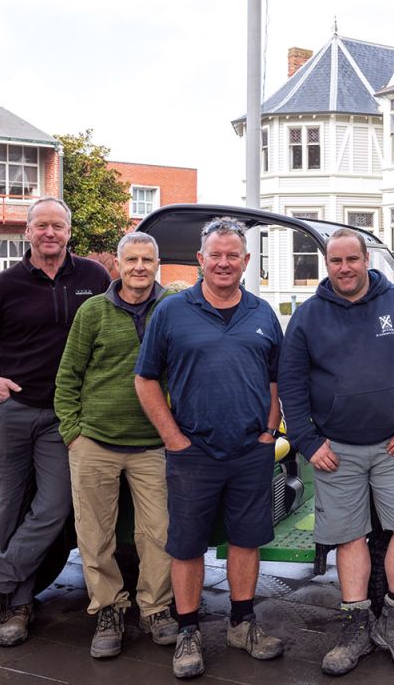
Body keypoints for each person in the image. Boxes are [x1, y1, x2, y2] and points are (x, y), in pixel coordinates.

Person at [279, 228, 394, 677]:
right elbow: (291, 383)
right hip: (337, 450)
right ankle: (355, 627)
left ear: (366, 259)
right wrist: (309, 442)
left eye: (352, 259)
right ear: (326, 264)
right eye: (336, 261)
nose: (345, 268)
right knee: (349, 537)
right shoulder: (308, 316)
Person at [134, 218, 285, 679]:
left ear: (246, 262)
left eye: (232, 256)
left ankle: (242, 624)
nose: (223, 263)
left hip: (249, 451)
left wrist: (269, 430)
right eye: (214, 255)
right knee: (187, 545)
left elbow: (276, 378)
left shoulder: (262, 314)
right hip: (192, 451)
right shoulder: (172, 312)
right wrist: (173, 438)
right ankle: (188, 631)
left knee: (246, 539)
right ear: (201, 260)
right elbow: (145, 379)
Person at [0, 196, 111, 647]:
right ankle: (17, 607)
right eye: (41, 226)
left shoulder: (93, 278)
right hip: (13, 410)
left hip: (63, 415)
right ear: (27, 231)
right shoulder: (4, 285)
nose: (50, 233)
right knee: (8, 508)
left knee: (55, 507)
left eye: (58, 226)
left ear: (68, 232)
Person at [54, 231, 177, 658]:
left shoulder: (173, 309)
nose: (139, 267)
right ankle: (108, 609)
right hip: (96, 442)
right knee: (95, 534)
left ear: (157, 263)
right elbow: (68, 374)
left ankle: (156, 608)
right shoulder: (93, 311)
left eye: (147, 259)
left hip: (152, 444)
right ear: (119, 265)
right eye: (131, 260)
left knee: (158, 533)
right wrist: (74, 432)